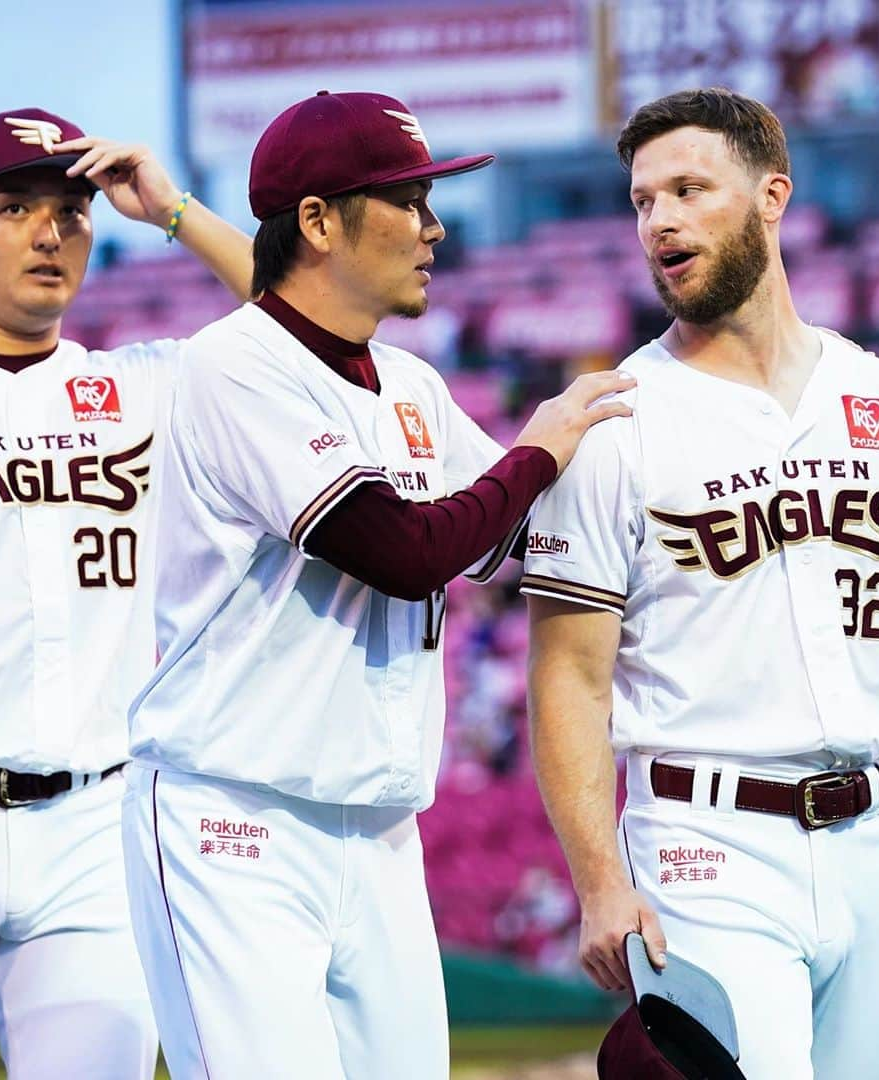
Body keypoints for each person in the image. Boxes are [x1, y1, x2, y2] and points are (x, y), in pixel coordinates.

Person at [520, 88, 879, 1080]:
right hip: (707, 842)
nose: (660, 221)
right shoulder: (612, 421)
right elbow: (568, 677)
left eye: (689, 188)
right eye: (643, 201)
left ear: (774, 196)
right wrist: (600, 881)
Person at [119, 90, 633, 1080]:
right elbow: (399, 550)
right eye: (407, 200)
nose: (435, 226)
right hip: (234, 819)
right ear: (317, 222)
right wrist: (539, 448)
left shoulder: (411, 387)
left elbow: (515, 533)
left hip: (380, 829)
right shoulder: (231, 364)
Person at [0, 106, 252, 1079]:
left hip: (95, 827)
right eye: (14, 206)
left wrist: (176, 210)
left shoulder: (145, 387)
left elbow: (317, 333)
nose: (52, 232)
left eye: (73, 208)